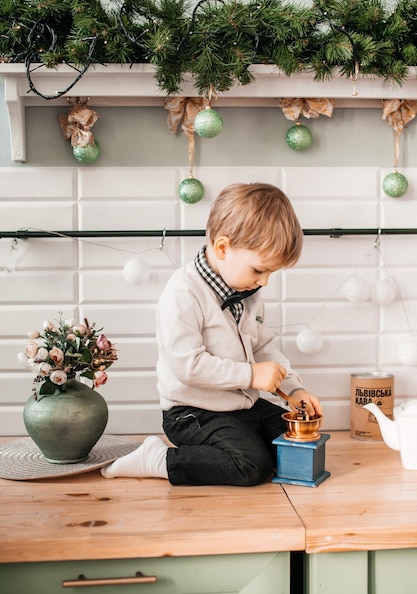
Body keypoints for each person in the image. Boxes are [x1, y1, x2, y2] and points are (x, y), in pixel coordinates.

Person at [101, 182, 322, 485]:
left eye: (271, 273)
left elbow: (264, 347)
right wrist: (250, 376)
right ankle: (159, 459)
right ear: (222, 248)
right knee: (251, 466)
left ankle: (251, 442)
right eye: (259, 270)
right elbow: (187, 366)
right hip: (193, 412)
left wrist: (294, 390)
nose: (265, 282)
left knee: (294, 443)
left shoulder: (249, 292)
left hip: (241, 405)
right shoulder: (183, 293)